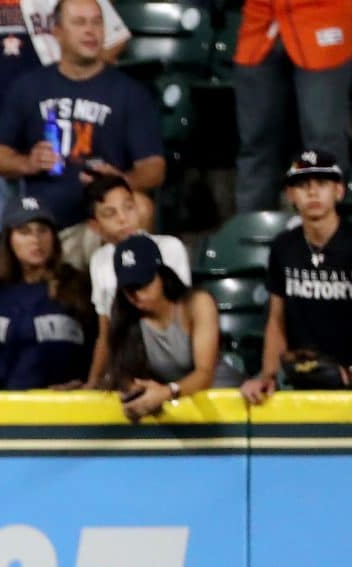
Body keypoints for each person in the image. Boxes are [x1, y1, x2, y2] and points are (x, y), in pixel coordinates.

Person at [0, 0, 130, 347]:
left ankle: (57, 341)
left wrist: (79, 80)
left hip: (46, 129)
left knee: (49, 242)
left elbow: (116, 34)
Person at [0, 0, 163, 263]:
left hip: (101, 224)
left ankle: (128, 288)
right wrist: (27, 162)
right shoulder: (29, 87)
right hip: (46, 226)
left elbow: (154, 167)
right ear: (56, 32)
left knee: (141, 206)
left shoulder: (129, 93)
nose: (90, 31)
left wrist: (122, 181)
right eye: (79, 23)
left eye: (96, 22)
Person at [243, 150, 352, 405]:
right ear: (291, 195)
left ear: (339, 191)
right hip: (302, 376)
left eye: (322, 184)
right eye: (303, 185)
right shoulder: (283, 247)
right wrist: (268, 375)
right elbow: (277, 319)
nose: (312, 192)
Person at [100, 234, 235, 421]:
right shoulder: (127, 319)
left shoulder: (196, 304)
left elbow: (204, 374)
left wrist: (167, 392)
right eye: (130, 289)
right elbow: (124, 375)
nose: (137, 294)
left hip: (220, 397)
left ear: (161, 275)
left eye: (144, 284)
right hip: (177, 408)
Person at [233, 0, 352, 212]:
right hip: (259, 23)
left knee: (323, 146)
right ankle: (254, 236)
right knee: (256, 146)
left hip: (321, 17)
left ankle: (328, 241)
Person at [0, 194, 93, 390]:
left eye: (43, 230)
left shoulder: (77, 284)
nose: (36, 240)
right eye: (25, 231)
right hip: (12, 407)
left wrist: (88, 383)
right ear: (9, 239)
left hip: (69, 406)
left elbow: (100, 342)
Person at [81, 172, 190, 387]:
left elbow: (184, 316)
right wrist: (93, 383)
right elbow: (105, 333)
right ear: (95, 226)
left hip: (174, 357)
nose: (123, 219)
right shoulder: (99, 261)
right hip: (127, 365)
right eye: (110, 213)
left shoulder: (170, 247)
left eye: (128, 207)